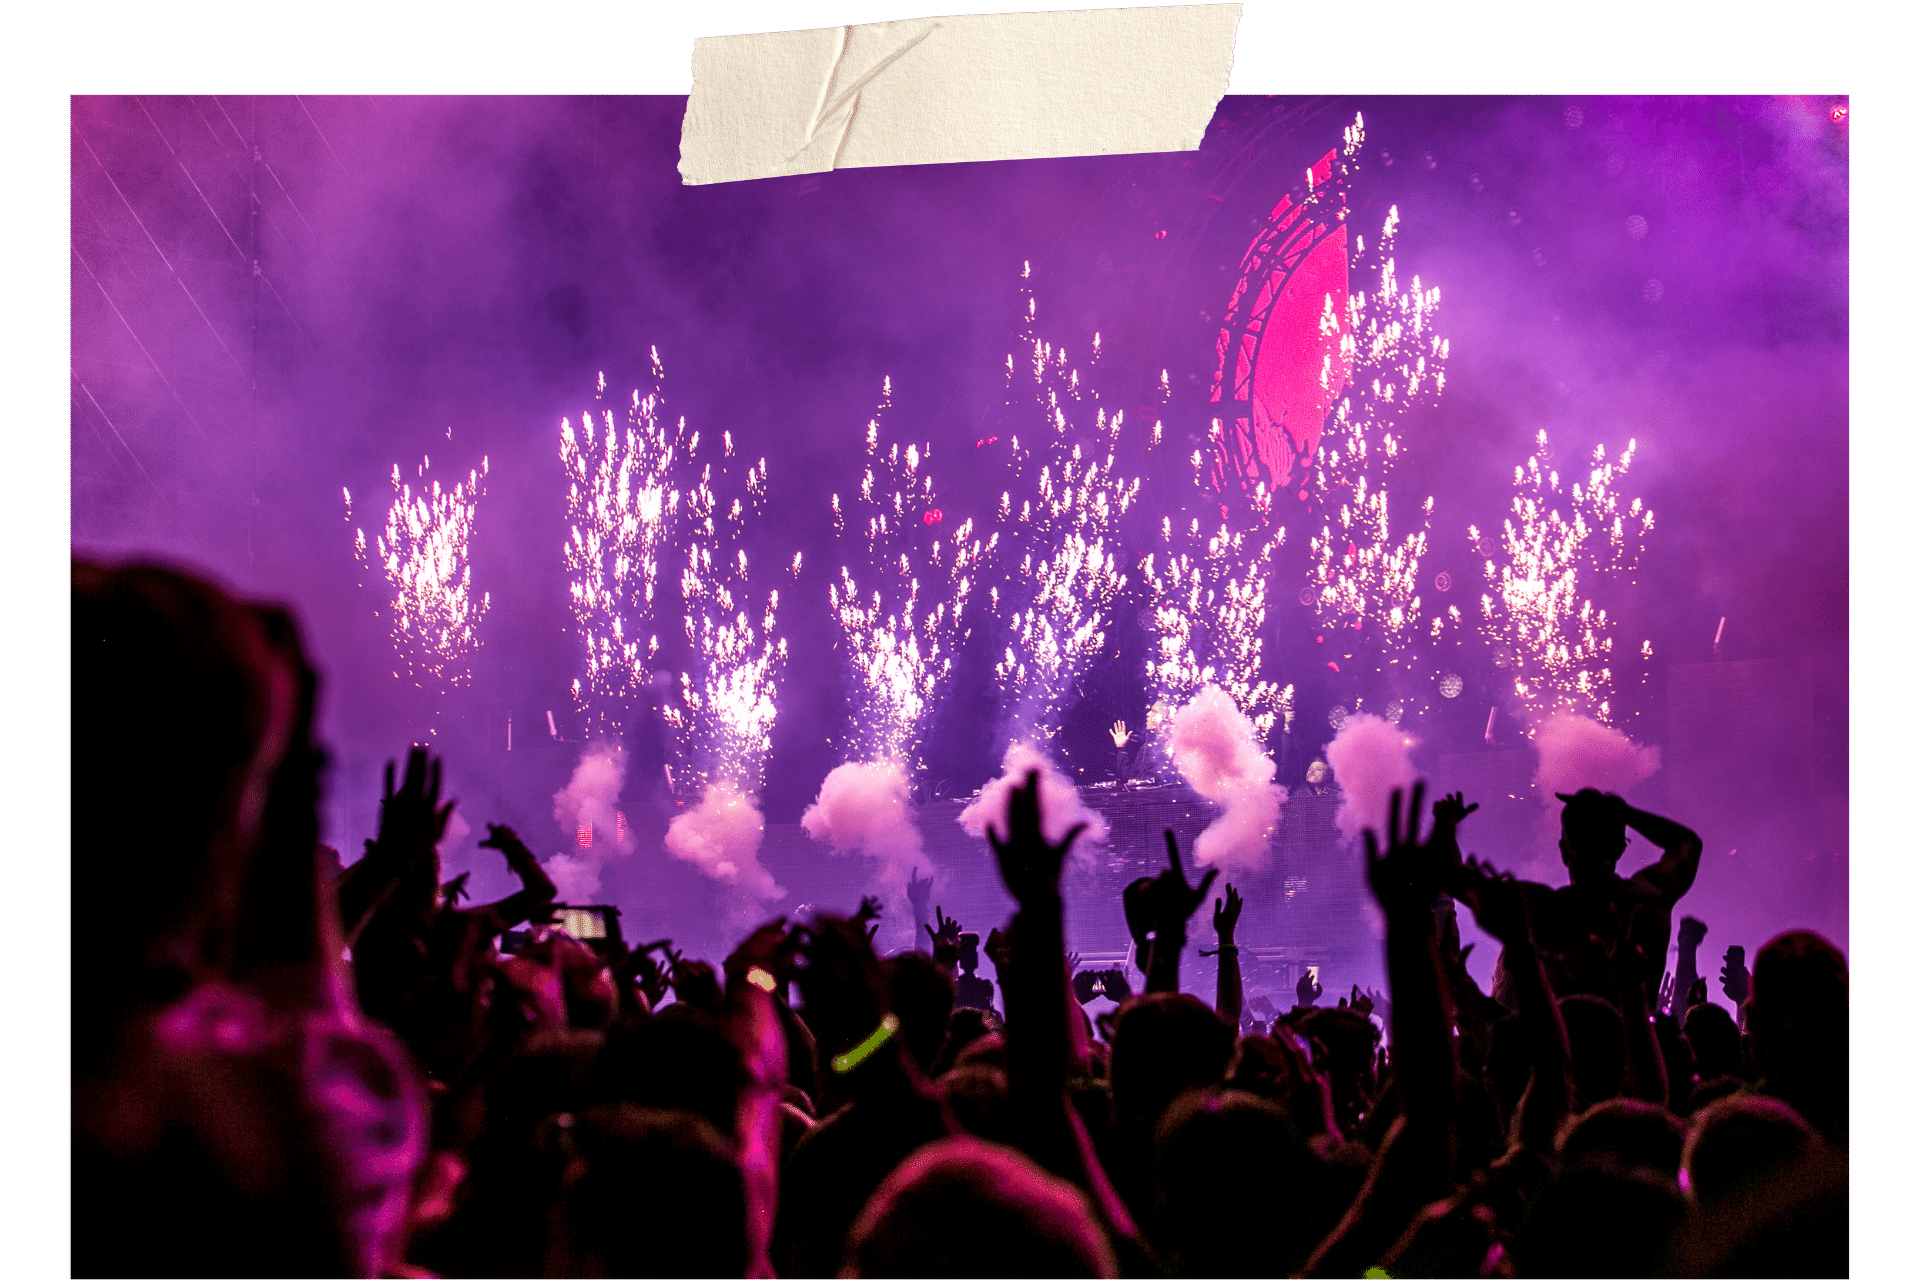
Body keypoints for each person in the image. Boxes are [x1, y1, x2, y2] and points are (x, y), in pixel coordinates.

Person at [1493, 788, 1702, 1008]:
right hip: (1632, 1042)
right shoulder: (1648, 901)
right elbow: (1687, 844)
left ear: (1564, 851)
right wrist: (1624, 812)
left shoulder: (1537, 909)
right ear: (1621, 848)